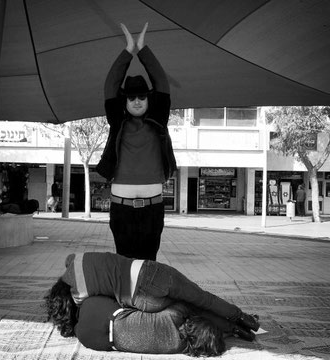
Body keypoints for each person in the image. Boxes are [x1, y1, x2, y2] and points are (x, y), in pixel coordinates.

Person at [44, 252, 260, 349]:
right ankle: (244, 319)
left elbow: (96, 309)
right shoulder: (75, 260)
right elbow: (70, 258)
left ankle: (231, 329)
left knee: (192, 311)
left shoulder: (79, 296)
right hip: (151, 271)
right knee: (202, 297)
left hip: (144, 299)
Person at [96, 23, 177, 261]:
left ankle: (145, 299)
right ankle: (126, 299)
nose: (138, 101)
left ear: (149, 99)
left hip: (153, 208)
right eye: (131, 97)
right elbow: (110, 85)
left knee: (148, 262)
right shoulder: (117, 121)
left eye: (142, 96)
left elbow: (161, 82)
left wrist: (143, 50)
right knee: (124, 262)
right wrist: (129, 50)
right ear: (125, 101)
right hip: (121, 208)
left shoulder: (158, 119)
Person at [50, 295, 256, 357]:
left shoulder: (174, 317)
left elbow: (189, 304)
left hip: (101, 313)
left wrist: (226, 322)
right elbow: (207, 338)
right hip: (91, 339)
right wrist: (226, 335)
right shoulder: (179, 347)